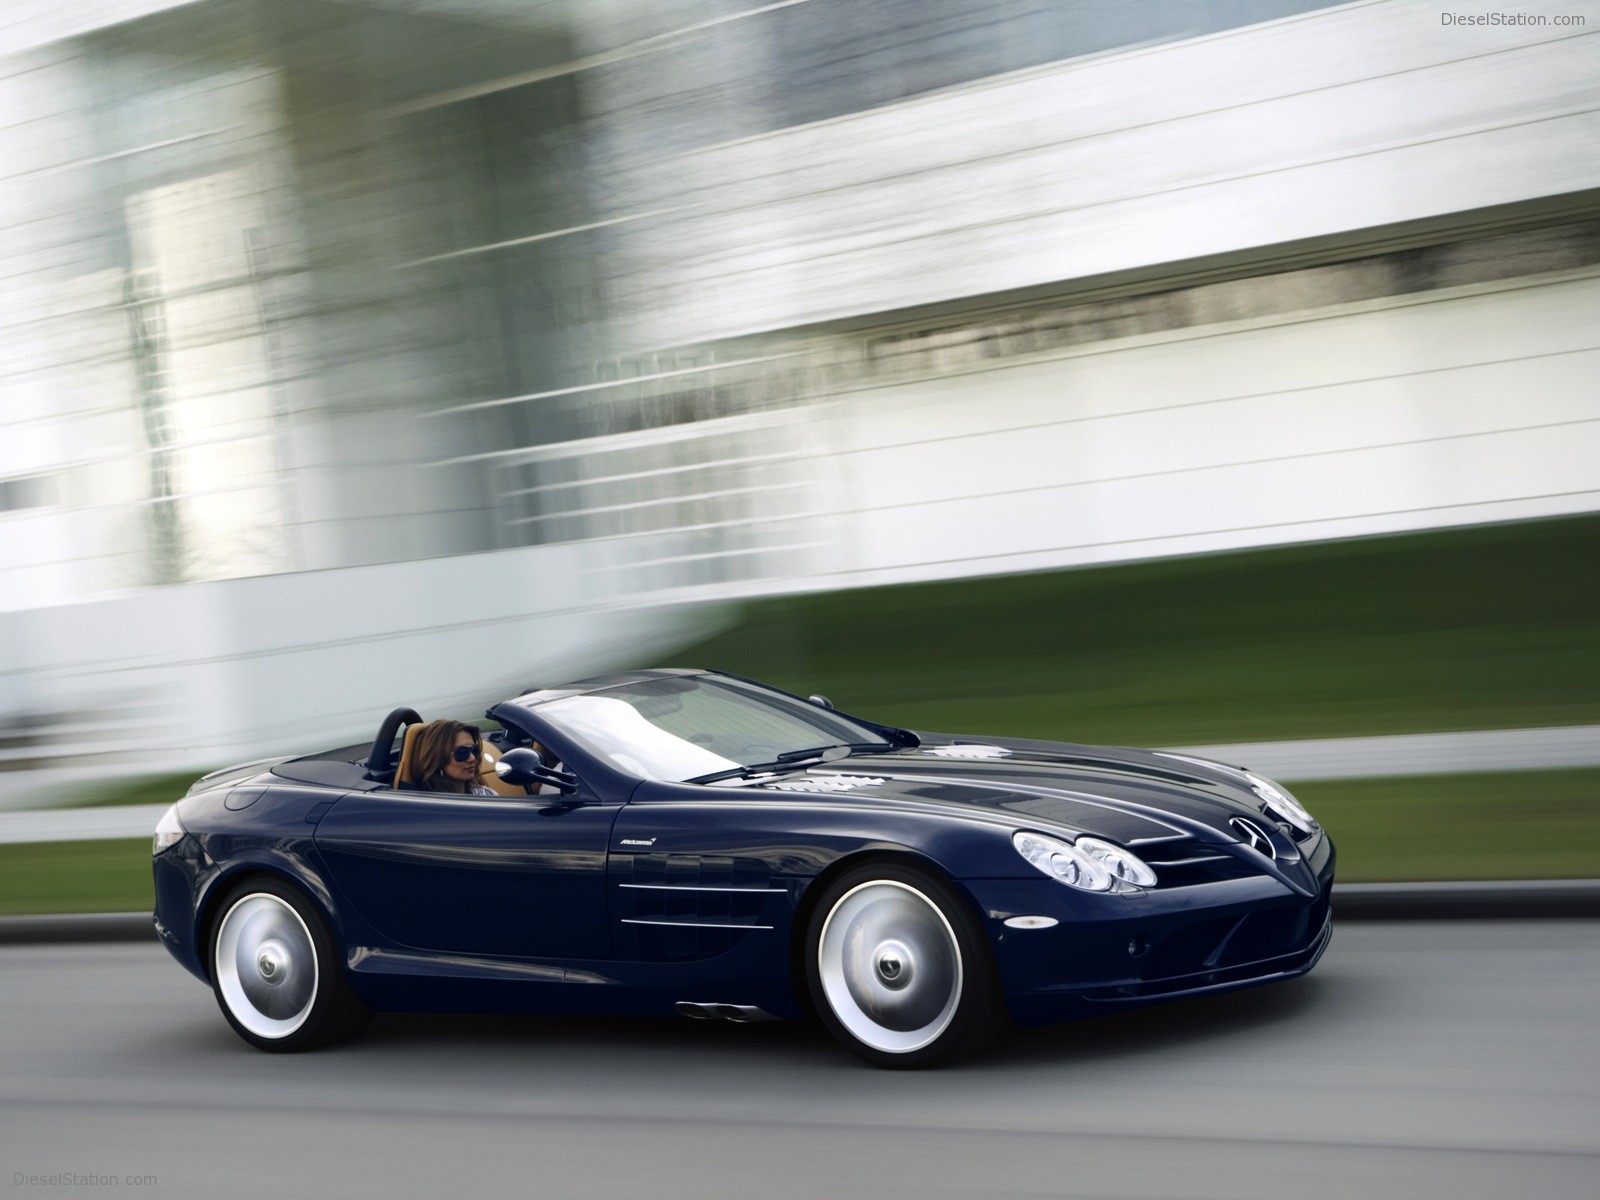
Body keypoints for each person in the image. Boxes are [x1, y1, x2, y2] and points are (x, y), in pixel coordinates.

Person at [407, 719, 497, 796]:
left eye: (474, 750)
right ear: (438, 759)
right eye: (461, 752)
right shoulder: (432, 807)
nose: (472, 758)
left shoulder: (486, 794)